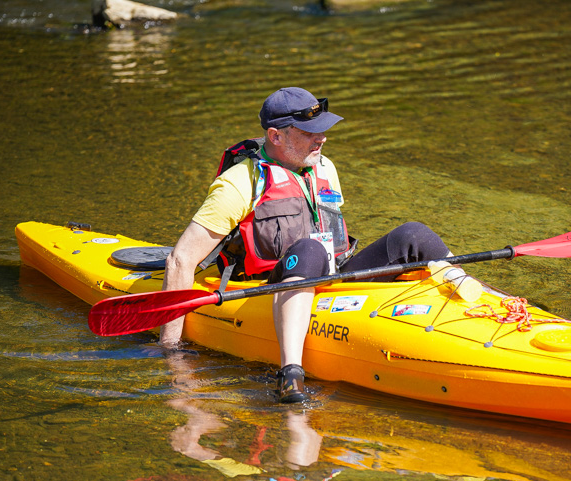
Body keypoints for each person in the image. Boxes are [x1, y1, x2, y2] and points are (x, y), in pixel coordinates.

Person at [160, 87, 453, 402]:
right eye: (310, 131)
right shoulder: (239, 183)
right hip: (270, 289)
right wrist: (173, 355)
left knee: (413, 234)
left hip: (333, 278)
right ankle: (290, 376)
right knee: (309, 248)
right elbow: (180, 261)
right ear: (276, 136)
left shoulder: (324, 167)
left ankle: (493, 305)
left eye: (323, 129)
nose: (322, 137)